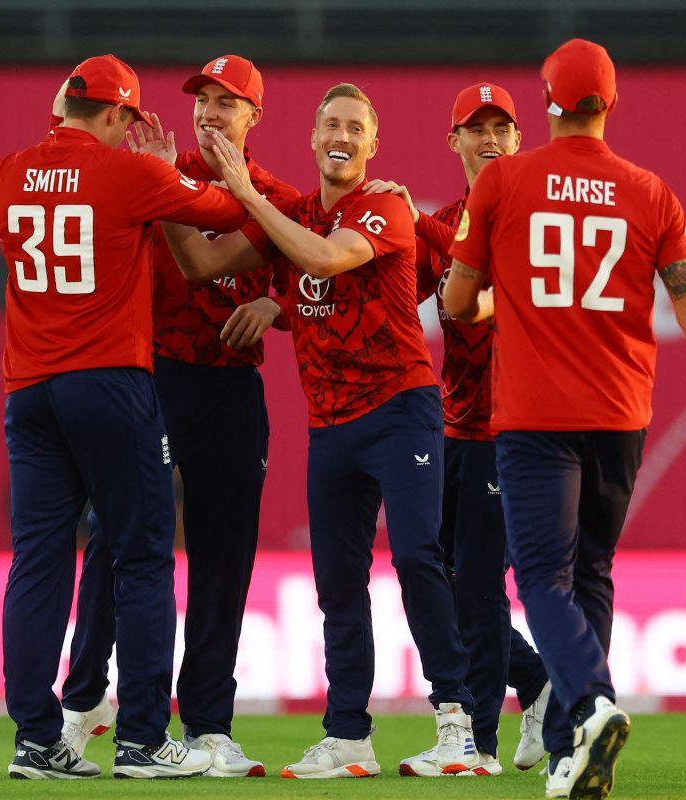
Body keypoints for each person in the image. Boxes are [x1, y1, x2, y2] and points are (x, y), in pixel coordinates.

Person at [445, 39, 686, 798]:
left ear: (547, 104)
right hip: (622, 414)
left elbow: (456, 303)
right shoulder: (650, 191)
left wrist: (502, 298)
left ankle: (590, 704)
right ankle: (568, 754)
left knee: (543, 579)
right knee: (591, 573)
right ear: (609, 103)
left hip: (536, 416)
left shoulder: (504, 180)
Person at [157, 83, 479, 779]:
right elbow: (205, 265)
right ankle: (348, 736)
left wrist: (247, 196)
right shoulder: (294, 215)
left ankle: (458, 724)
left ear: (372, 146)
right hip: (331, 424)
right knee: (337, 583)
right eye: (331, 123)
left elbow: (329, 260)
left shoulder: (385, 205)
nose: (342, 134)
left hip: (400, 409)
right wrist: (276, 302)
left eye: (355, 126)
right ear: (311, 138)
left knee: (419, 558)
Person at [0, 54, 249, 780]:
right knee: (142, 554)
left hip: (28, 392)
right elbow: (226, 209)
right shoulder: (130, 174)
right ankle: (141, 739)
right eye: (128, 116)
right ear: (117, 115)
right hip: (109, 383)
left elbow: (33, 188)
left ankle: (36, 739)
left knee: (37, 563)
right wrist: (173, 172)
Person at [58, 54, 297, 779]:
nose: (210, 111)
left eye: (229, 102)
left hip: (229, 388)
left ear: (256, 117)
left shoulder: (277, 195)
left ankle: (210, 727)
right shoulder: (157, 169)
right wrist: (162, 183)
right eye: (203, 99)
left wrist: (277, 303)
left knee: (224, 560)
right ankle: (85, 699)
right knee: (116, 538)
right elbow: (178, 260)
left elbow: (317, 276)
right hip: (153, 374)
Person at [365, 82, 552, 777]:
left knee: (473, 588)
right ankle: (533, 681)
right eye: (476, 129)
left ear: (518, 137)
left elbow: (493, 303)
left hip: (515, 429)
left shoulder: (532, 225)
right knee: (436, 580)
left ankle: (476, 744)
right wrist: (283, 299)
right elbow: (387, 290)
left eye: (502, 127)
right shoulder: (439, 223)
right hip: (455, 426)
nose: (491, 139)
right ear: (455, 142)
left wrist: (422, 224)